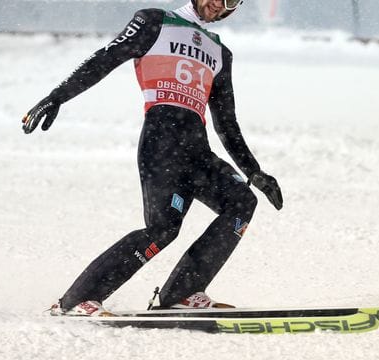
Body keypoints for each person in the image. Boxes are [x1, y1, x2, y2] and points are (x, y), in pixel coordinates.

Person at [22, 0, 283, 316]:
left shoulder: (220, 53)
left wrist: (253, 172)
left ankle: (182, 294)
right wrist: (56, 97)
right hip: (162, 146)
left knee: (242, 201)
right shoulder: (155, 22)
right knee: (162, 230)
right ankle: (76, 300)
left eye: (229, 1)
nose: (218, 4)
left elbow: (226, 122)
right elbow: (104, 60)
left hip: (198, 152)